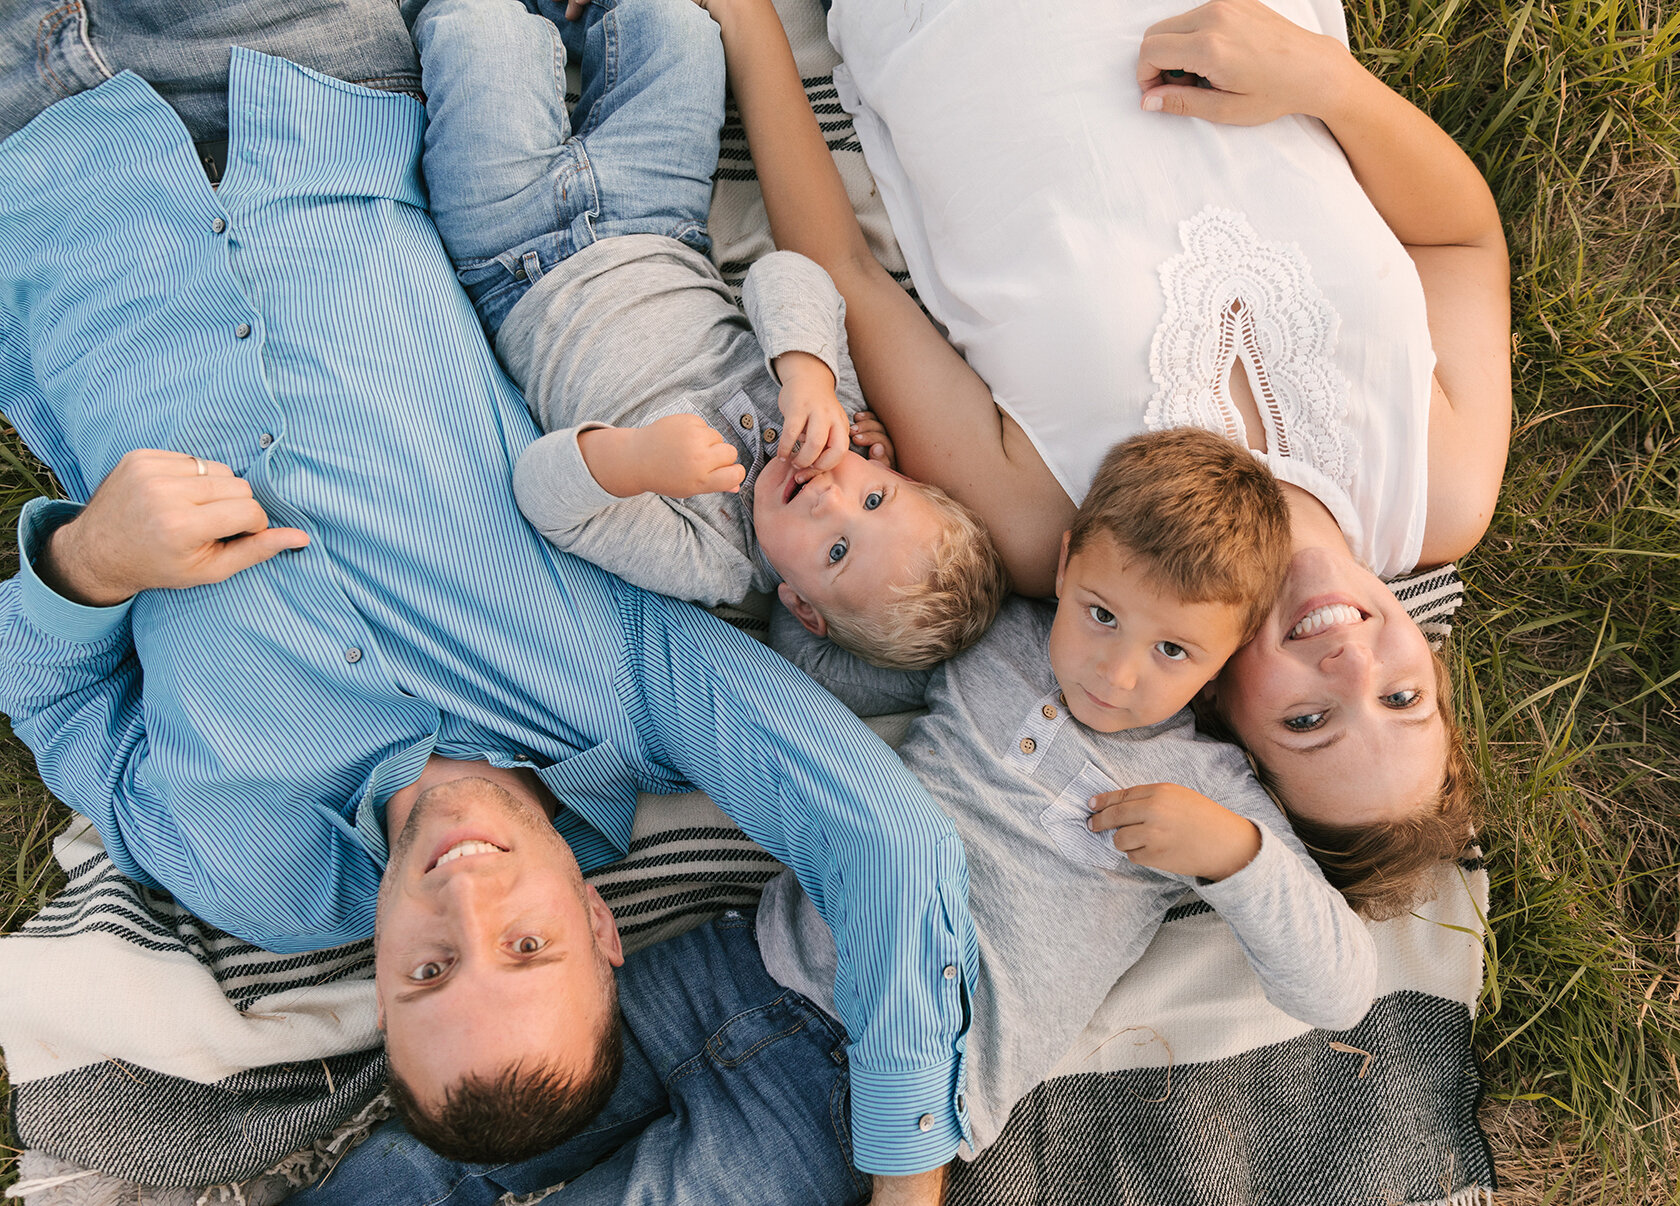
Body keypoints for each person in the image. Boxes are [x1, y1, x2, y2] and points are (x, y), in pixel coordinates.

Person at [0, 30, 971, 1193]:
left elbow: (48, 696)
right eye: (525, 946)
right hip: (295, 82)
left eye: (426, 973)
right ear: (602, 930)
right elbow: (886, 842)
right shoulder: (630, 688)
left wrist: (95, 559)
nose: (465, 895)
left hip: (44, 187)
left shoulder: (243, 867)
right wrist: (911, 1175)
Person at [287, 425, 1380, 1206]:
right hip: (749, 960)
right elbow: (820, 681)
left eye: (1174, 652)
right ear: (1065, 570)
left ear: (1228, 656)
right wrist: (832, 583)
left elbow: (1338, 986)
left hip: (856, 1095)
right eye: (1099, 614)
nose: (1118, 669)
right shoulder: (994, 642)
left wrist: (1232, 856)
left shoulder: (1215, 796)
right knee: (495, 1117)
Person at [714, 0, 1507, 909]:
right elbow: (1460, 242)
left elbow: (842, 271)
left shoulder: (1061, 525)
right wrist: (1326, 81)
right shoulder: (1438, 492)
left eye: (1308, 721)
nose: (1356, 669)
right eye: (1404, 699)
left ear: (1218, 713)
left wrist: (747, 21)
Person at [412, 0, 1006, 669]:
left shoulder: (710, 558)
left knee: (479, 30)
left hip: (511, 256)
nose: (829, 499)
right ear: (888, 468)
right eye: (874, 497)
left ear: (800, 606)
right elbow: (784, 272)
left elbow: (545, 497)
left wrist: (634, 463)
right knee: (679, 27)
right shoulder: (829, 408)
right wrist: (804, 370)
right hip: (654, 215)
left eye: (836, 551)